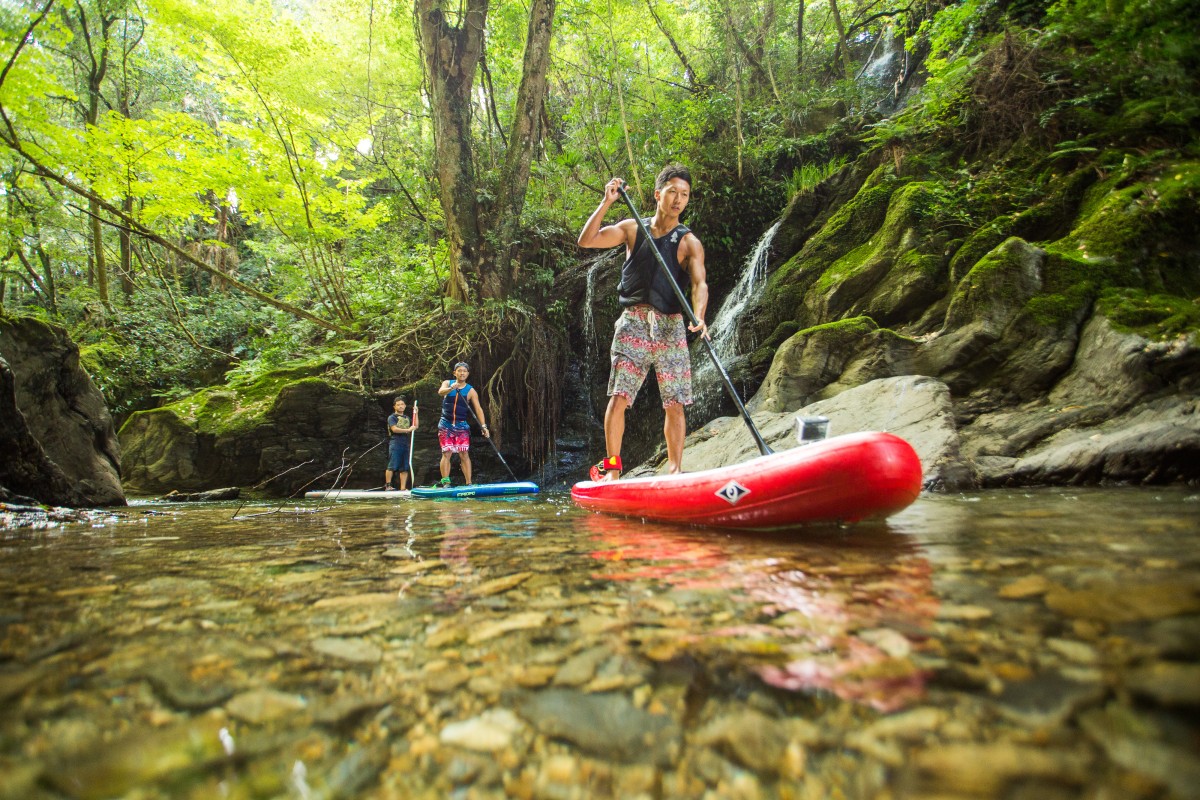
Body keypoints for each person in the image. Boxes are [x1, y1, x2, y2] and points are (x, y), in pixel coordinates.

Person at [576, 164, 709, 481]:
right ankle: (612, 470)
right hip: (633, 322)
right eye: (673, 192)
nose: (678, 199)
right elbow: (587, 240)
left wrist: (700, 315)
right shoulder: (633, 228)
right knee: (619, 398)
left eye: (685, 195)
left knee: (675, 403)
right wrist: (607, 201)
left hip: (671, 325)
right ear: (658, 194)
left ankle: (675, 468)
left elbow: (699, 284)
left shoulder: (689, 242)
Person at [436, 362, 491, 486]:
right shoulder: (447, 383)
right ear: (454, 373)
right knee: (447, 452)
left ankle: (468, 483)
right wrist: (451, 388)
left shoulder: (470, 390)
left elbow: (478, 409)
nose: (462, 373)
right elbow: (440, 392)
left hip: (461, 425)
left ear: (468, 374)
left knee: (464, 453)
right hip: (446, 424)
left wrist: (484, 426)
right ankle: (446, 482)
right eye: (459, 371)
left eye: (464, 371)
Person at [385, 397, 417, 490]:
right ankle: (388, 486)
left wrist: (416, 413)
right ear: (394, 406)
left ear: (405, 406)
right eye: (398, 405)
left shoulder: (407, 417)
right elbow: (394, 429)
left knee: (404, 467)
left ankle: (403, 488)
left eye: (402, 404)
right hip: (395, 442)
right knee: (392, 464)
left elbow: (415, 426)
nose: (400, 406)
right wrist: (408, 430)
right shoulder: (392, 417)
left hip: (405, 443)